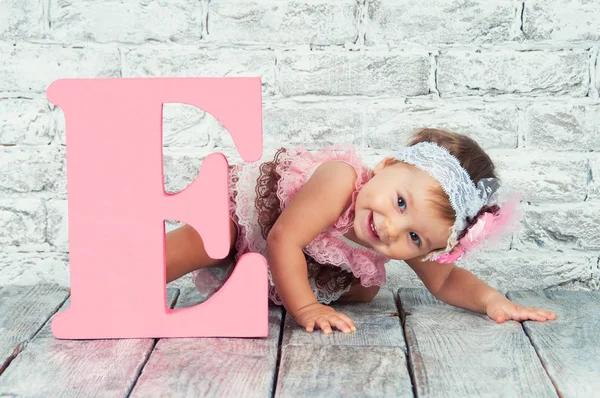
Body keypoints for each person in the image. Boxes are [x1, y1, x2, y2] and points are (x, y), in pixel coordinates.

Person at [165, 128, 556, 334]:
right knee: (213, 239)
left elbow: (446, 279)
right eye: (401, 203)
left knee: (366, 288)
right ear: (386, 165)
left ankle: (268, 288)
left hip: (283, 260)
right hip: (247, 220)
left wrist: (492, 301)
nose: (391, 228)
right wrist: (306, 309)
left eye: (415, 239)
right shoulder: (340, 179)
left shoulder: (394, 233)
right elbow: (283, 237)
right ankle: (131, 274)